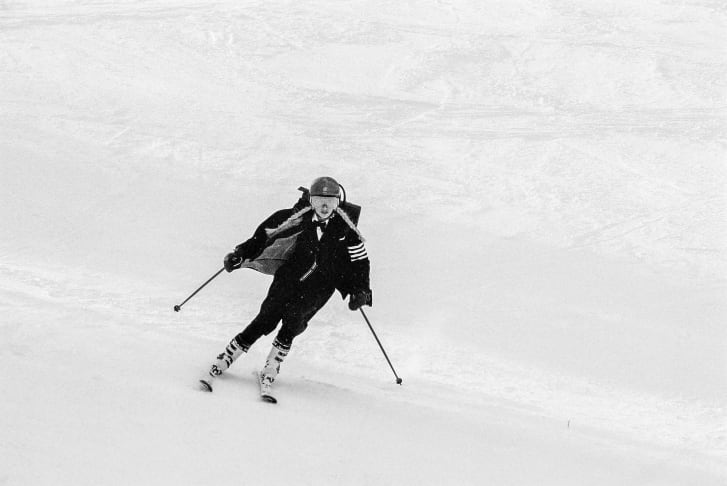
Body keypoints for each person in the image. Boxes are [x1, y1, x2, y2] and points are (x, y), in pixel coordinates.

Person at [200, 176, 372, 396]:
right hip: (289, 277)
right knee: (266, 318)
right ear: (311, 200)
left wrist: (361, 291)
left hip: (320, 286)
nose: (325, 206)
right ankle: (227, 357)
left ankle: (272, 366)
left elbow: (360, 262)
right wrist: (240, 254)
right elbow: (264, 235)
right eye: (319, 199)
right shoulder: (295, 218)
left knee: (294, 320)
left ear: (339, 202)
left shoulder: (347, 230)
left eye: (331, 200)